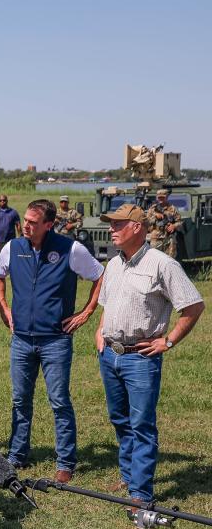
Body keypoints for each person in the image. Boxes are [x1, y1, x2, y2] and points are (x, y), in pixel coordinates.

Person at [95, 204, 204, 504]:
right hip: (111, 355)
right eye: (111, 224)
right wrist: (99, 331)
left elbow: (193, 307)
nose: (111, 229)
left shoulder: (162, 265)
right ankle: (129, 477)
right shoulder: (113, 264)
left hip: (141, 359)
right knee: (120, 420)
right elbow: (107, 304)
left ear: (138, 228)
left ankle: (141, 493)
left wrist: (167, 342)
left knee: (141, 425)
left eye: (118, 224)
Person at [0, 199, 104, 482]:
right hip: (21, 340)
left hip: (55, 339)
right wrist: (4, 306)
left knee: (59, 400)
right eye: (25, 220)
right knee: (20, 400)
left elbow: (101, 276)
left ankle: (65, 461)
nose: (25, 226)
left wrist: (86, 312)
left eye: (32, 222)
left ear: (48, 225)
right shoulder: (13, 248)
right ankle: (17, 454)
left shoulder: (70, 249)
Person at [146, 189, 181, 258]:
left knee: (170, 258)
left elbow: (180, 222)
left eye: (163, 197)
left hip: (169, 238)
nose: (160, 199)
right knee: (154, 258)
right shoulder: (152, 209)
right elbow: (146, 222)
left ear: (167, 197)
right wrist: (155, 217)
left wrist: (174, 226)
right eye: (159, 197)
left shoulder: (173, 209)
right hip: (156, 238)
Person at [0, 195, 21, 262]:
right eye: (0, 200)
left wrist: (19, 237)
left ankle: (10, 272)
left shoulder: (13, 212)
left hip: (10, 241)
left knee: (10, 259)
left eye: (4, 200)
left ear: (7, 201)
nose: (2, 202)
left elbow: (18, 225)